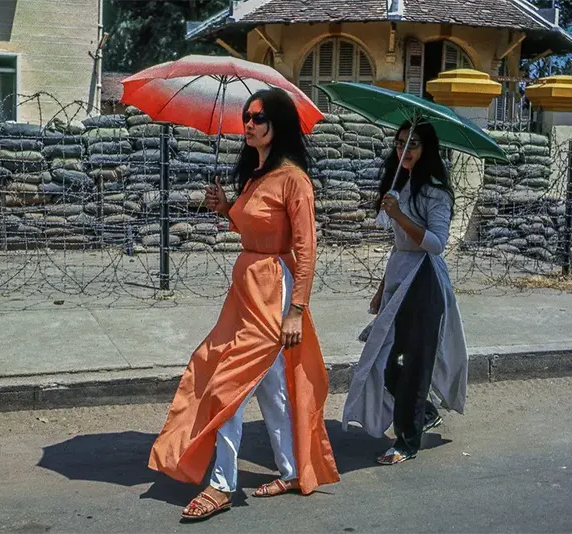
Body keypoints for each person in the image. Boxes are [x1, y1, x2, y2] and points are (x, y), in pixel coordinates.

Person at [148, 88, 339, 521]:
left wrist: (297, 311)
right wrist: (227, 209)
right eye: (246, 117)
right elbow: (255, 229)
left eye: (257, 117)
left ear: (278, 125)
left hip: (274, 293)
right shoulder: (256, 175)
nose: (248, 124)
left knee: (226, 385)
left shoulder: (294, 179)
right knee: (268, 385)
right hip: (245, 291)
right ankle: (291, 469)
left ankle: (221, 485)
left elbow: (305, 249)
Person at [342, 121, 469, 465]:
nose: (405, 150)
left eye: (413, 144)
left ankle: (407, 442)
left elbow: (436, 244)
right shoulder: (401, 187)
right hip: (400, 279)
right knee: (382, 357)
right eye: (399, 143)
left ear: (427, 149)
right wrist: (382, 289)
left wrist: (398, 213)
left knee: (416, 362)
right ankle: (424, 413)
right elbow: (399, 247)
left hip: (424, 281)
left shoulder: (435, 193)